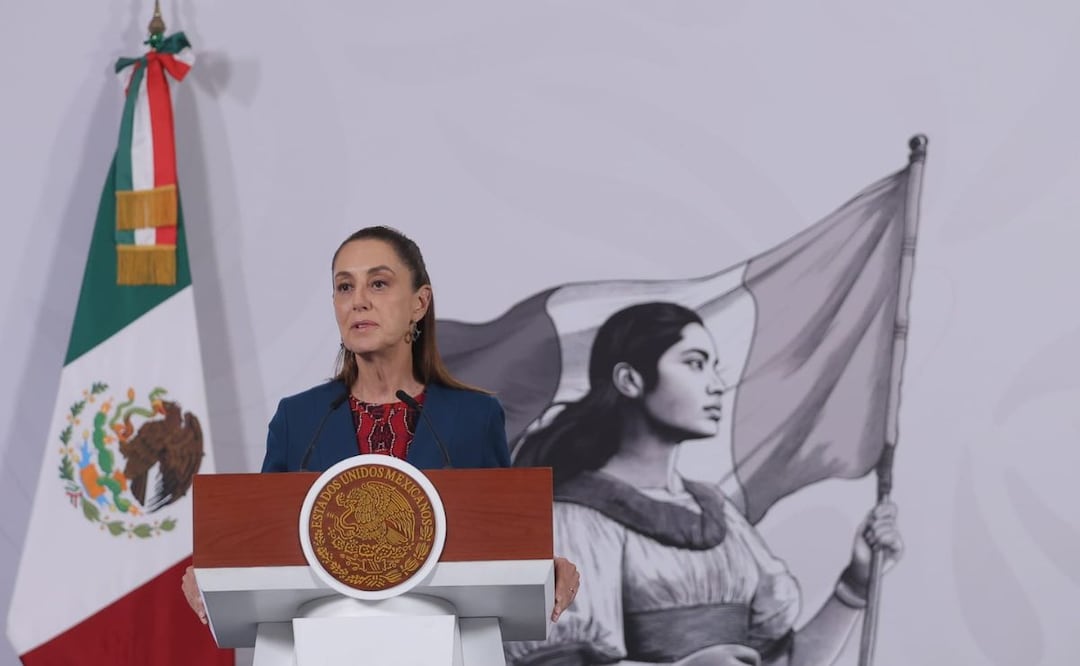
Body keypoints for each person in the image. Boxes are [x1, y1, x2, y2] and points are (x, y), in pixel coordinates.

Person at [182, 226, 580, 623]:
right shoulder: (299, 420)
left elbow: (505, 541)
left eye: (378, 284)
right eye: (344, 287)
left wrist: (547, 569)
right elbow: (262, 545)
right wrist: (215, 571)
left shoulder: (474, 417)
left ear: (419, 303)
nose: (358, 302)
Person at [505, 302, 903, 666]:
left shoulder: (720, 516)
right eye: (695, 364)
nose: (715, 385)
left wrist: (855, 584)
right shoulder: (572, 519)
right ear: (629, 380)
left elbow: (784, 661)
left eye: (715, 367)